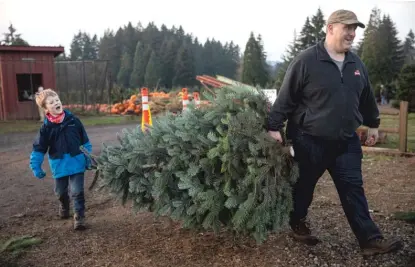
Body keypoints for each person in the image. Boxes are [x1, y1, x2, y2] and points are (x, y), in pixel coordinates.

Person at [267, 9, 402, 256]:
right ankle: (297, 222)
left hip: (345, 141)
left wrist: (373, 123)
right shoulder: (306, 60)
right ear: (330, 29)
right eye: (347, 28)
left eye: (354, 29)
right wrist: (274, 126)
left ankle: (370, 239)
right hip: (309, 140)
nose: (352, 34)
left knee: (353, 189)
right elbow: (287, 97)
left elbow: (367, 97)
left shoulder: (356, 64)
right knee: (303, 188)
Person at [29, 89, 92, 230]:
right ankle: (64, 205)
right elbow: (39, 148)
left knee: (77, 191)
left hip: (77, 162)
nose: (56, 102)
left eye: (57, 99)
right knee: (60, 192)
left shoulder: (74, 121)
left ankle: (79, 217)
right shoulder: (46, 128)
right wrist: (36, 166)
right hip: (59, 164)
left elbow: (85, 141)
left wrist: (88, 158)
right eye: (51, 102)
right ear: (46, 109)